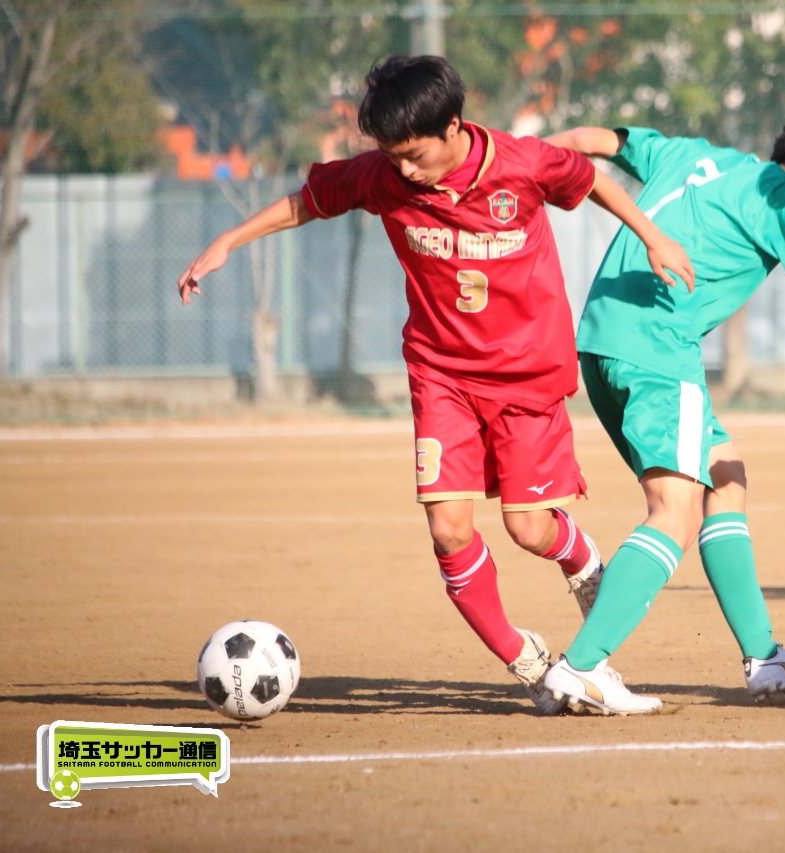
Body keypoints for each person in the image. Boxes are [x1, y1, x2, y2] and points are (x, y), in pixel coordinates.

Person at [175, 56, 696, 714]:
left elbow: (592, 179)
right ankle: (530, 662)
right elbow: (306, 201)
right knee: (449, 529)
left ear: (454, 125)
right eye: (392, 156)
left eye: (414, 155)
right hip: (441, 373)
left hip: (527, 374)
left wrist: (652, 237)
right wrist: (228, 240)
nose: (405, 171)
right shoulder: (383, 174)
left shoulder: (522, 163)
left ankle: (580, 559)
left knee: (528, 529)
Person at [538, 106, 785, 715]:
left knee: (727, 478)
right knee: (672, 513)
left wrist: (525, 164)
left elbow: (593, 139)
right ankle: (582, 666)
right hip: (659, 352)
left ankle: (764, 656)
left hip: (601, 342)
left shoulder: (694, 154)